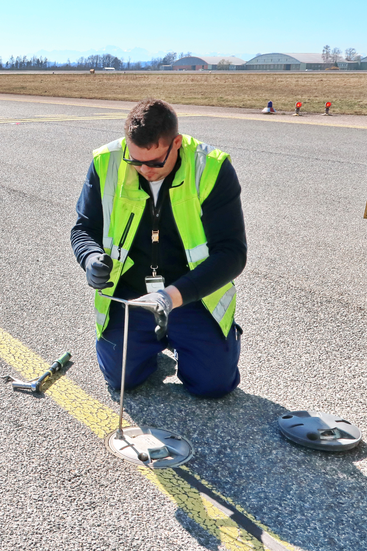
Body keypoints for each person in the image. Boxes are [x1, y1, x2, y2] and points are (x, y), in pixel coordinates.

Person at [71, 98, 246, 398]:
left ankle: (205, 342)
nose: (144, 170)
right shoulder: (106, 162)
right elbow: (83, 229)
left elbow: (232, 254)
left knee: (214, 386)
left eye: (154, 162)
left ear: (176, 143)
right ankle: (150, 344)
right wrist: (90, 258)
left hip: (191, 295)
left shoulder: (211, 168)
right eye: (135, 160)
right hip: (131, 296)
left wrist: (170, 297)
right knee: (122, 381)